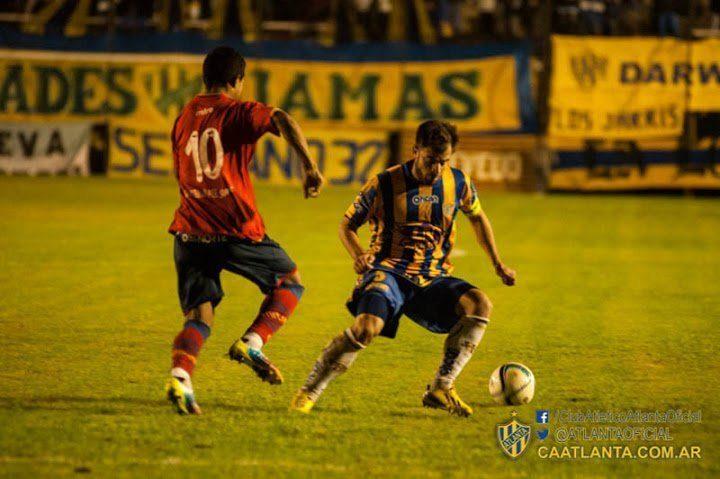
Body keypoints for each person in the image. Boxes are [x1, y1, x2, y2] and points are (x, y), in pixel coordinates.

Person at [290, 120, 515, 417]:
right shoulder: (385, 183)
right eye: (431, 160)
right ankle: (309, 391)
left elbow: (478, 217)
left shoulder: (457, 182)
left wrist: (498, 264)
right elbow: (347, 225)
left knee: (479, 304)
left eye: (444, 162)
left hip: (432, 278)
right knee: (366, 328)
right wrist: (359, 255)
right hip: (389, 272)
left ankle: (442, 386)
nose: (437, 168)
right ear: (415, 150)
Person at [166, 46, 324, 414]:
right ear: (238, 80)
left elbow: (181, 173)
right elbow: (282, 118)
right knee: (291, 281)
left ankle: (180, 376)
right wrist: (310, 166)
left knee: (199, 317)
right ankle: (252, 342)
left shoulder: (183, 117)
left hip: (189, 231)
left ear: (205, 78)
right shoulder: (238, 111)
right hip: (235, 230)